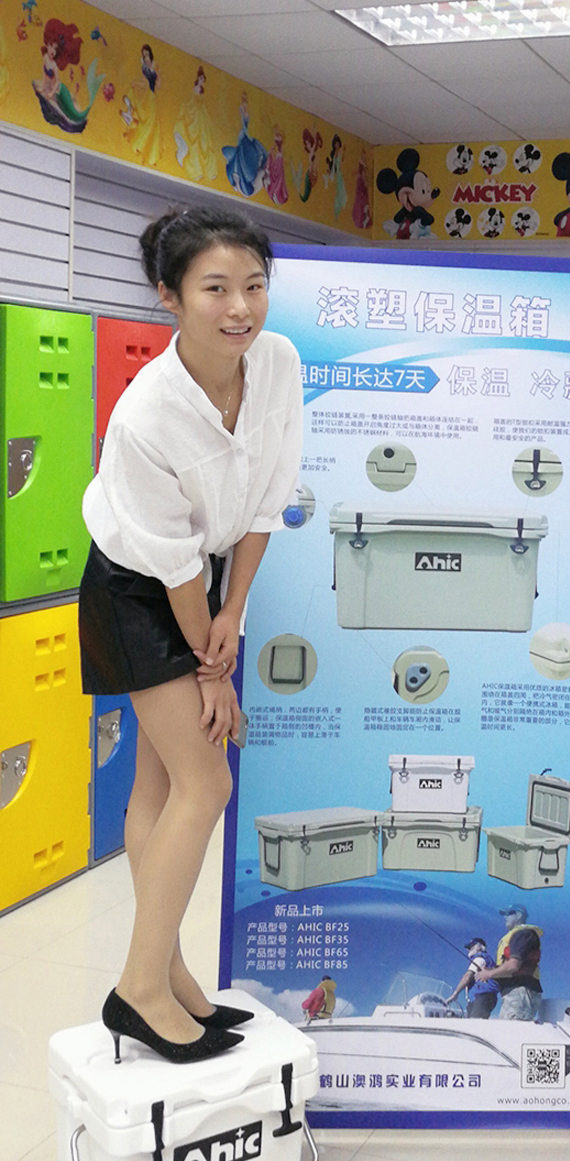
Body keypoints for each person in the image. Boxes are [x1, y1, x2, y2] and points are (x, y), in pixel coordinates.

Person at [78, 204, 303, 1064]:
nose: (239, 307)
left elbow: (265, 502)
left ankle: (170, 977)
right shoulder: (147, 415)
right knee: (205, 783)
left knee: (164, 784)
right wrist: (212, 670)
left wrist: (234, 613)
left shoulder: (276, 364)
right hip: (137, 587)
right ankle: (138, 989)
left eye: (253, 285)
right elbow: (169, 566)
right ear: (169, 295)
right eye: (215, 288)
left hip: (202, 580)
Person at [487, 906, 544, 1021]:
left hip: (519, 992)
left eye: (509, 913)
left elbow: (513, 965)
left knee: (513, 1029)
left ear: (518, 915)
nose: (505, 917)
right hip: (517, 993)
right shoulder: (521, 935)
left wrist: (489, 974)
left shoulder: (522, 934)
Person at [444, 938, 498, 1019]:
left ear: (479, 947)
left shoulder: (479, 958)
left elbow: (467, 977)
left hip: (481, 996)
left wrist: (455, 994)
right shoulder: (488, 960)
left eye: (470, 948)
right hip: (487, 997)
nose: (468, 950)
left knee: (474, 1022)